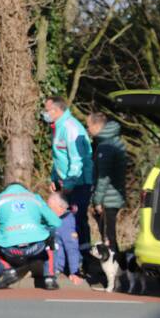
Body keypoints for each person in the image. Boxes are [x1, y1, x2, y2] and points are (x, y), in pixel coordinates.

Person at [0, 182, 62, 290]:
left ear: (6, 190)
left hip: (10, 249)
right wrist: (38, 226)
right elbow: (55, 222)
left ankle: (8, 270)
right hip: (35, 247)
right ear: (25, 190)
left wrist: (0, 230)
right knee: (52, 236)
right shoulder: (35, 198)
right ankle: (50, 278)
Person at [42, 96, 93, 250]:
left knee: (77, 220)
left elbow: (76, 160)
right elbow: (59, 157)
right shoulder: (57, 126)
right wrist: (54, 179)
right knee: (62, 220)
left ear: (56, 110)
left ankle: (84, 257)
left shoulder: (71, 127)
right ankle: (65, 255)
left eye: (46, 110)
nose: (44, 113)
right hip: (65, 183)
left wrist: (69, 183)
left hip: (78, 183)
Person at [87, 111, 128, 292]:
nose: (88, 130)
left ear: (97, 126)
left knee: (108, 239)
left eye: (88, 126)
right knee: (110, 237)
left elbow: (103, 178)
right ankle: (119, 276)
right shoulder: (114, 141)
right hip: (114, 197)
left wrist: (97, 200)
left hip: (107, 200)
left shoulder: (105, 147)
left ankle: (118, 278)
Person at [47, 191, 83, 286]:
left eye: (50, 208)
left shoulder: (67, 223)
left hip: (57, 267)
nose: (48, 210)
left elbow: (72, 249)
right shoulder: (55, 219)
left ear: (60, 208)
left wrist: (74, 272)